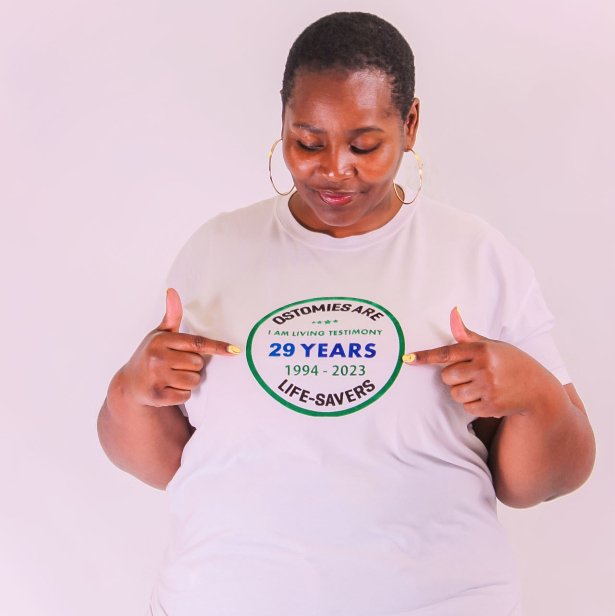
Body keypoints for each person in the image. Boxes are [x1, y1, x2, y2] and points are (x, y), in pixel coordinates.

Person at [97, 11, 595, 616]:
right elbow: (165, 468)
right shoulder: (216, 248)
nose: (335, 169)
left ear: (410, 124)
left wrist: (535, 396)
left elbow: (551, 479)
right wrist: (132, 390)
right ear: (283, 121)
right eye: (308, 142)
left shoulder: (475, 254)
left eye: (364, 145)